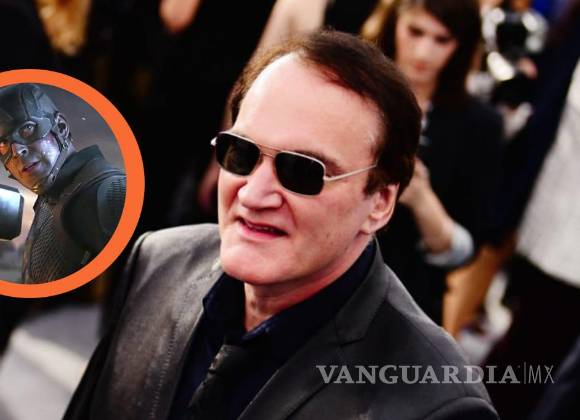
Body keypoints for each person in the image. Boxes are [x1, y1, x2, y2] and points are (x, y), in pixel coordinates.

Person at [64, 31, 498, 420]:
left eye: (301, 172)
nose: (254, 194)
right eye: (241, 153)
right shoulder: (159, 261)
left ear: (380, 202)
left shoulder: (435, 404)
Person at [363, 0, 503, 324]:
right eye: (415, 32)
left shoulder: (479, 125)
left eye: (442, 39)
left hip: (401, 301)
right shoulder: (349, 88)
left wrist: (422, 199)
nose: (424, 52)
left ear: (461, 45)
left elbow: (466, 249)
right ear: (394, 23)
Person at [0, 83, 126, 284]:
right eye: (3, 143)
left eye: (27, 129)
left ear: (60, 127)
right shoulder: (53, 196)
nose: (17, 151)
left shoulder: (108, 192)